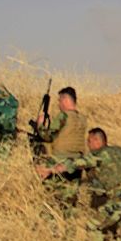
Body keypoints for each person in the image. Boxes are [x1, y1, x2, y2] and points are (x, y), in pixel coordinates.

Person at [35, 128, 121, 241]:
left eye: (89, 141)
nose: (88, 145)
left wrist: (50, 170)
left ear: (97, 141)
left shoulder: (98, 155)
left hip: (118, 200)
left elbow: (76, 164)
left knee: (93, 226)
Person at [36, 87, 88, 219]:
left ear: (65, 100)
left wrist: (40, 125)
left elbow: (47, 136)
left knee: (50, 198)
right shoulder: (82, 119)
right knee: (70, 203)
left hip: (58, 161)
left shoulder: (63, 116)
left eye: (60, 100)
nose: (59, 104)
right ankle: (69, 233)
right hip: (76, 163)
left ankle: (49, 228)